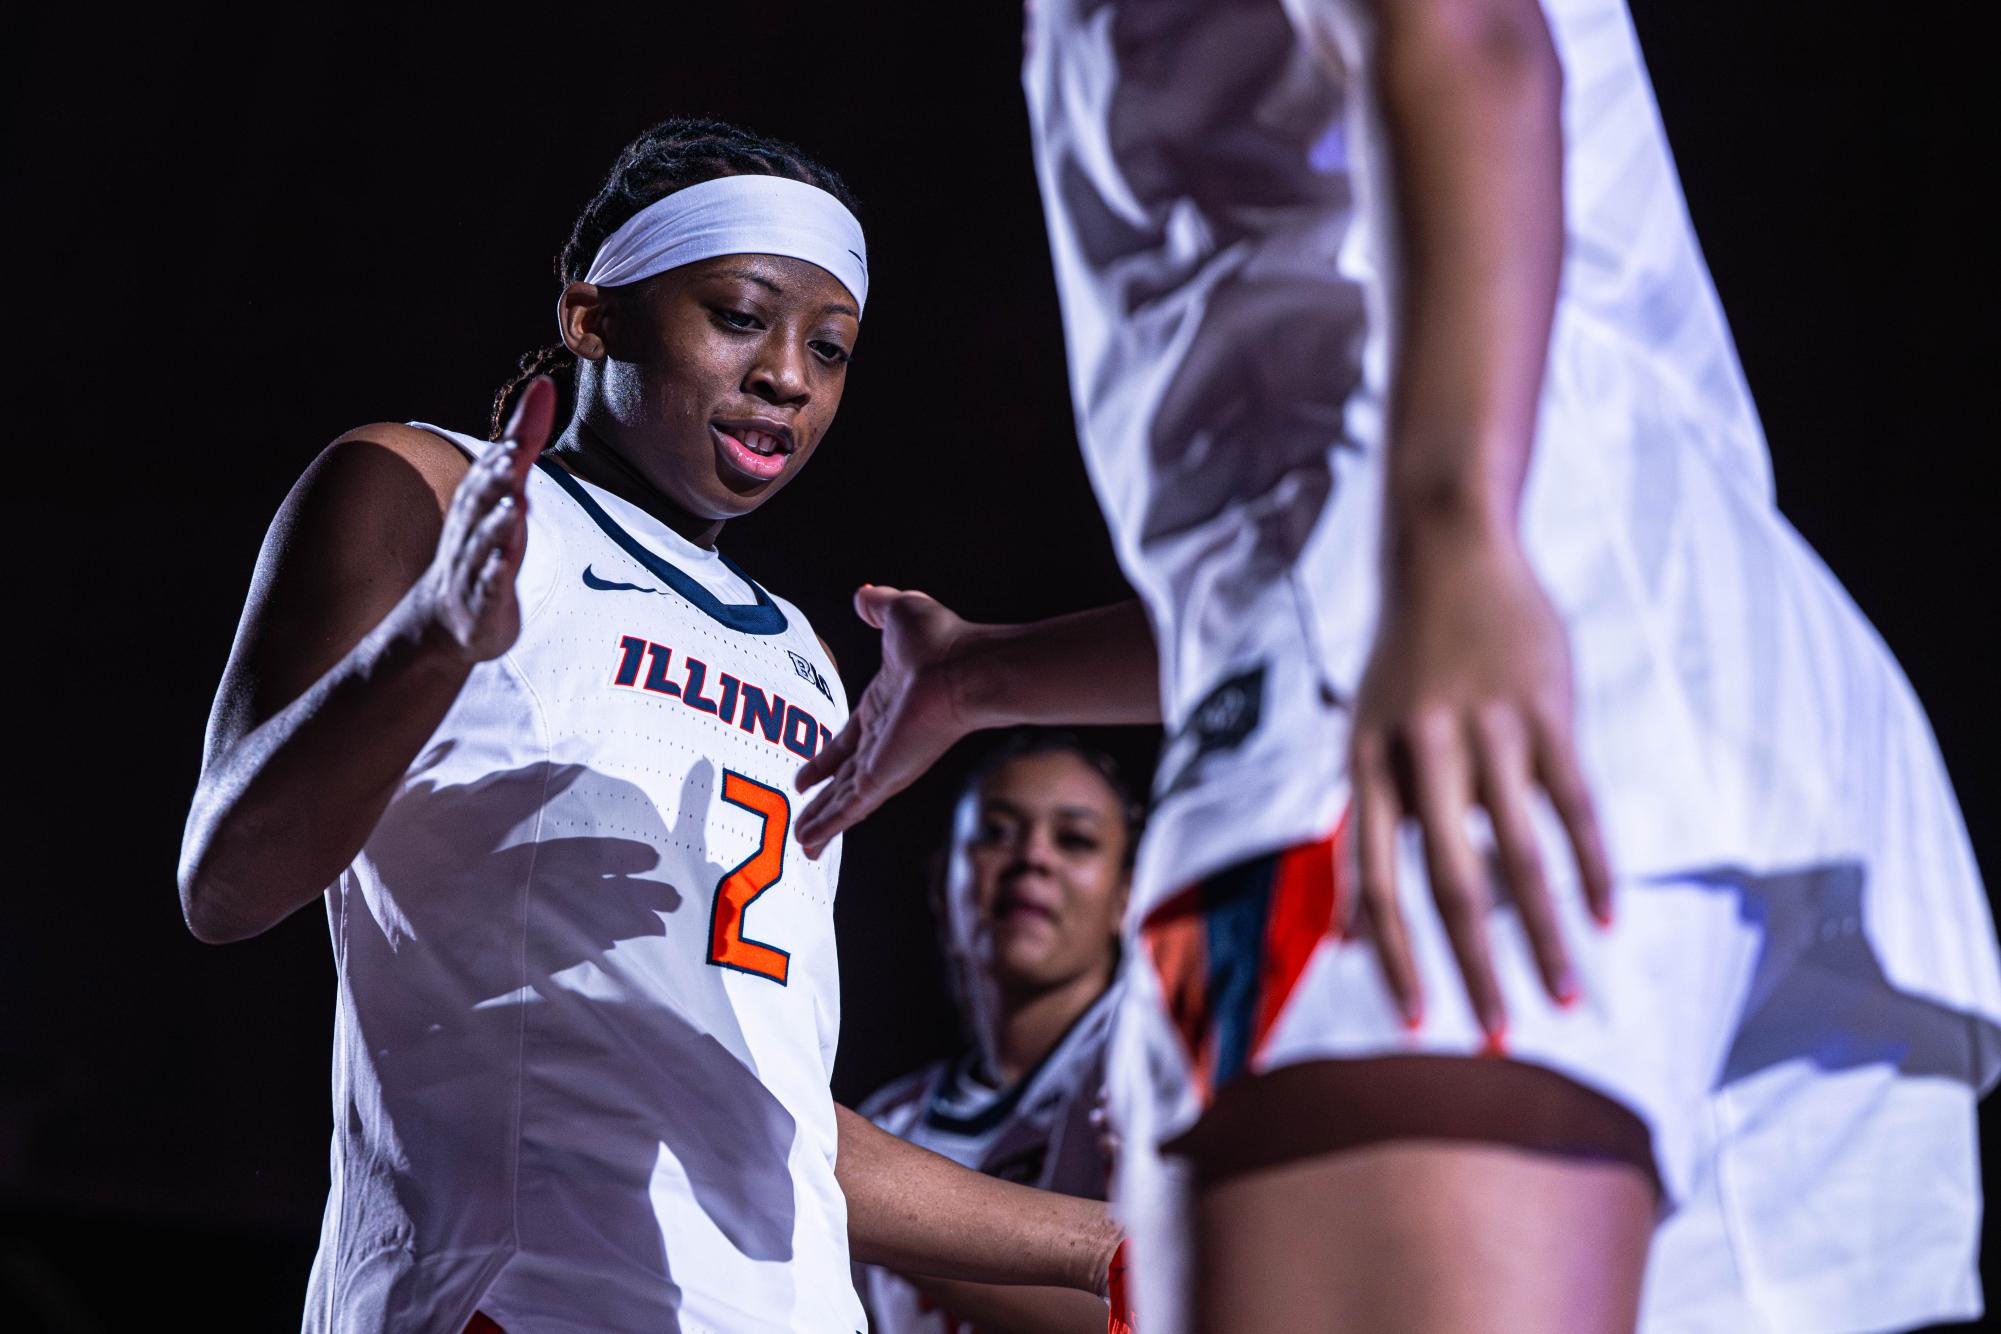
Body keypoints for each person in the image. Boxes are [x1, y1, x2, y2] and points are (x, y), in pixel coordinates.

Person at [794, 2, 2001, 1331]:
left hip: (1450, 717)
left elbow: (1469, 30)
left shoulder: (1437, 537)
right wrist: (981, 677)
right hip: (1740, 728)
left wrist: (1450, 537)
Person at [176, 117, 1119, 1333]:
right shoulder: (424, 487)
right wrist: (434, 642)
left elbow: (770, 1107)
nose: (789, 375)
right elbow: (226, 880)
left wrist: (1117, 1250)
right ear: (592, 316)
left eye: (830, 348)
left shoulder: (808, 657)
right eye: (740, 316)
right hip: (508, 1298)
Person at [857, 731, 1142, 1333]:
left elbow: (1179, 1304)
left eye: (1075, 839)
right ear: (942, 886)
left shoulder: (1153, 1054)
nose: (1033, 857)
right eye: (996, 831)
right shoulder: (889, 1122)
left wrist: (887, 1212)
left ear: (1126, 898)